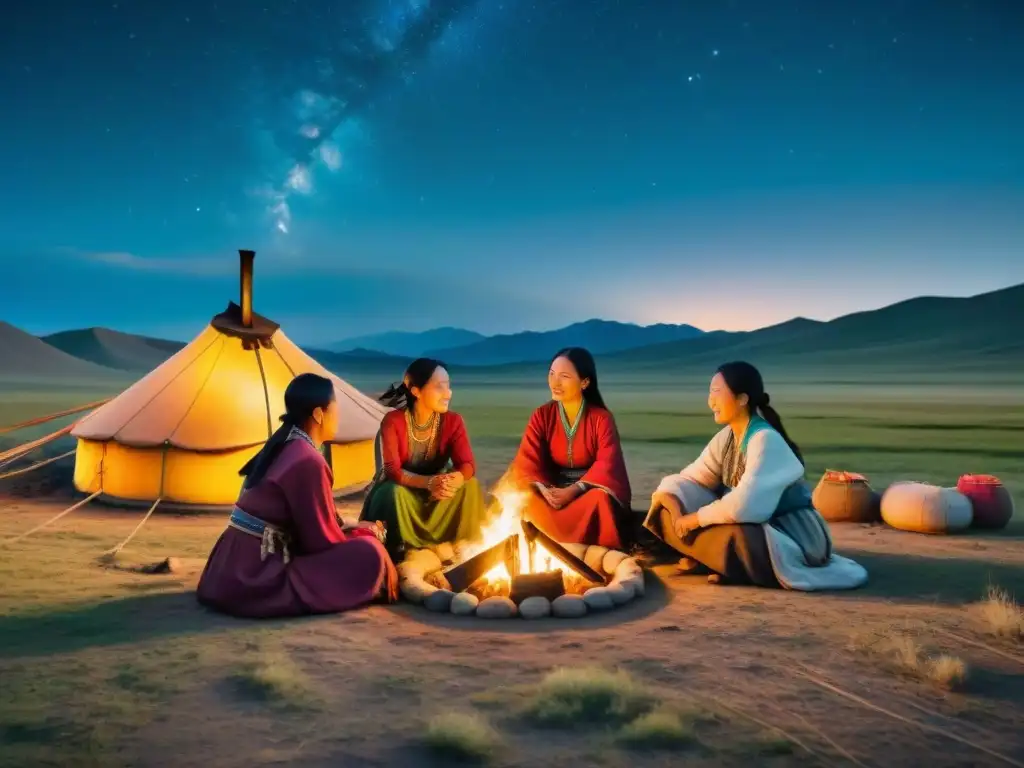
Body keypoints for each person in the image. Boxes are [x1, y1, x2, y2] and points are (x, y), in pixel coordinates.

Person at [643, 361, 867, 591]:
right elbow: (691, 479)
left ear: (742, 399)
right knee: (666, 505)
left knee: (735, 535)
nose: (711, 401)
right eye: (710, 393)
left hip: (793, 537)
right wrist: (675, 505)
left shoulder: (764, 439)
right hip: (755, 525)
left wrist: (693, 520)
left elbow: (746, 507)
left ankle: (727, 565)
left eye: (717, 392)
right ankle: (721, 563)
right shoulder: (726, 438)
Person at [197, 373, 398, 618]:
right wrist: (362, 534)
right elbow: (319, 541)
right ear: (318, 414)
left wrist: (351, 526)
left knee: (362, 540)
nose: (338, 418)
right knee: (370, 553)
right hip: (258, 572)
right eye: (335, 409)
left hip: (229, 566)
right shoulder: (307, 459)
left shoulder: (285, 445)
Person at [360, 358, 486, 559]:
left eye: (448, 387)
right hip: (403, 491)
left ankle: (465, 548)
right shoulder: (393, 421)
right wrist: (429, 483)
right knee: (393, 493)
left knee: (470, 486)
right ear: (415, 390)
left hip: (437, 493)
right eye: (439, 387)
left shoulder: (453, 421)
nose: (448, 393)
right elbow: (393, 470)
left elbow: (467, 464)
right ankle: (402, 552)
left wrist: (455, 479)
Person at [508, 347, 632, 548]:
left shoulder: (601, 419)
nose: (555, 383)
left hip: (587, 490)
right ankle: (536, 548)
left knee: (599, 499)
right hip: (553, 489)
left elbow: (607, 463)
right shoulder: (541, 415)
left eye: (564, 376)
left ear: (585, 382)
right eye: (551, 374)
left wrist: (574, 490)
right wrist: (545, 489)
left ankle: (597, 552)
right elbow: (528, 459)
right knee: (527, 499)